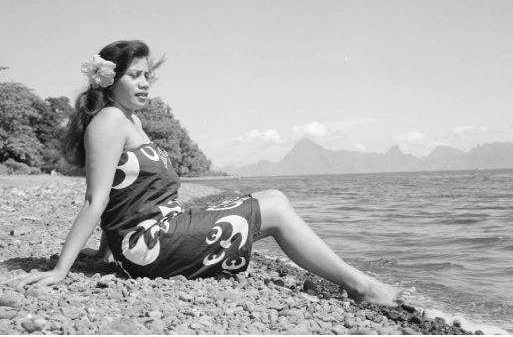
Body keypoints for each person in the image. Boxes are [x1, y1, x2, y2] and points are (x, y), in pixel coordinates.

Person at [16, 39, 400, 306]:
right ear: (110, 79)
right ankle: (360, 285)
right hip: (149, 246)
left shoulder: (129, 121)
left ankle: (355, 281)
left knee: (275, 200)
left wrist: (103, 252)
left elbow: (123, 196)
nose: (145, 83)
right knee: (277, 210)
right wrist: (60, 270)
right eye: (134, 75)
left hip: (156, 233)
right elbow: (96, 198)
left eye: (147, 75)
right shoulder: (110, 122)